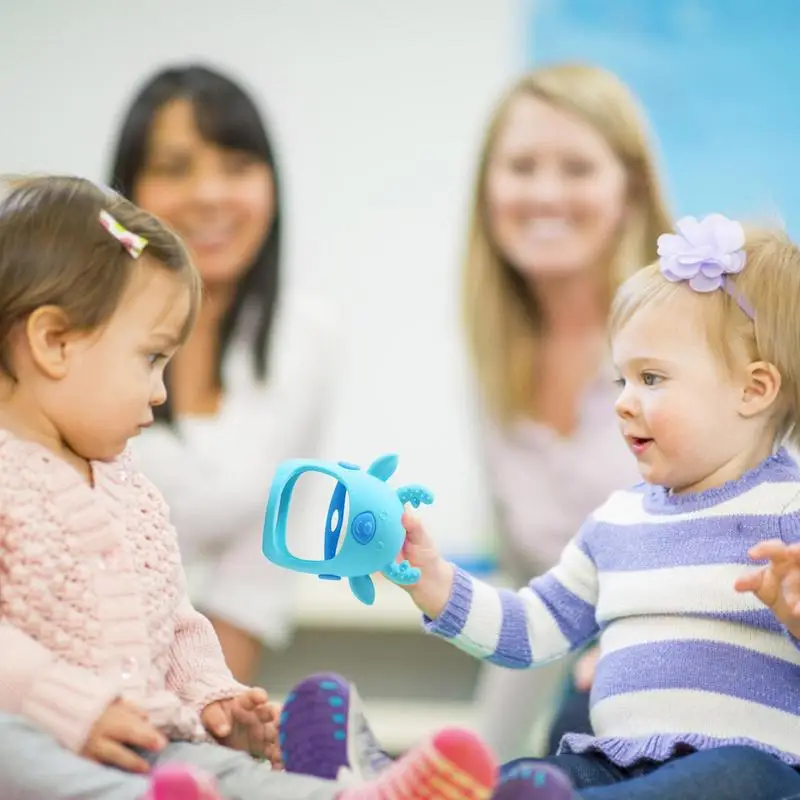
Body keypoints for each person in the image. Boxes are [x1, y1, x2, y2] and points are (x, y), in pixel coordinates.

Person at [0, 175, 499, 800]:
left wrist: (213, 695)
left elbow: (174, 623)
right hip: (40, 747)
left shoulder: (130, 487)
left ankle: (350, 797)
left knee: (225, 772)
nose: (160, 391)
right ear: (54, 342)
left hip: (149, 749)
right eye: (150, 359)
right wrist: (67, 705)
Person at [277, 214, 800, 799]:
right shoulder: (616, 524)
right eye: (619, 380)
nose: (623, 404)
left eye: (651, 378)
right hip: (612, 766)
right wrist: (435, 581)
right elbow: (530, 628)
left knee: (741, 774)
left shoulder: (790, 512)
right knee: (532, 776)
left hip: (751, 775)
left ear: (754, 390)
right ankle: (380, 788)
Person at [461, 62, 672, 759]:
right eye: (521, 166)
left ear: (630, 187)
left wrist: (632, 644)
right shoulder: (495, 365)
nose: (545, 193)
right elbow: (536, 602)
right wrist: (475, 769)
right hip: (588, 715)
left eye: (577, 168)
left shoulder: (701, 337)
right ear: (489, 187)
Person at [108, 65, 338, 683]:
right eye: (176, 168)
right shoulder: (73, 329)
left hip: (205, 676)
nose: (210, 194)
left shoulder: (304, 336)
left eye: (236, 167)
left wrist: (209, 711)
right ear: (128, 190)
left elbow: (263, 561)